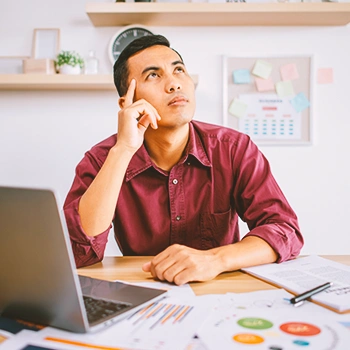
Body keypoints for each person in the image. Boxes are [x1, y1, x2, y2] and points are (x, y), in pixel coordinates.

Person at [64, 35, 303, 285]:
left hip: (221, 289)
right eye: (153, 75)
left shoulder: (233, 149)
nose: (174, 84)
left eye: (179, 70)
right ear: (128, 102)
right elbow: (78, 252)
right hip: (144, 290)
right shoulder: (101, 160)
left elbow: (285, 230)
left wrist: (216, 260)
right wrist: (124, 149)